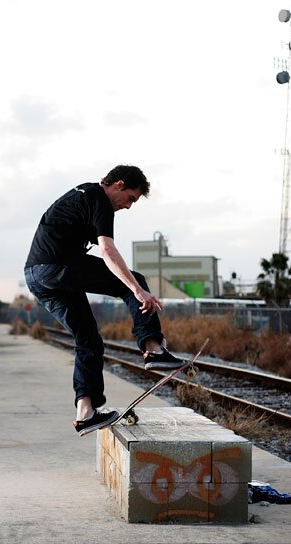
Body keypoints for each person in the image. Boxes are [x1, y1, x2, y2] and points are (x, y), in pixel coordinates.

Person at [24, 165, 184, 437]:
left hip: (37, 277)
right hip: (56, 268)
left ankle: (85, 413)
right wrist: (136, 290)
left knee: (88, 339)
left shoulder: (82, 195)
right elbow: (107, 251)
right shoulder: (99, 198)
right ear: (118, 184)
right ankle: (153, 348)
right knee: (134, 282)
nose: (129, 207)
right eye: (131, 199)